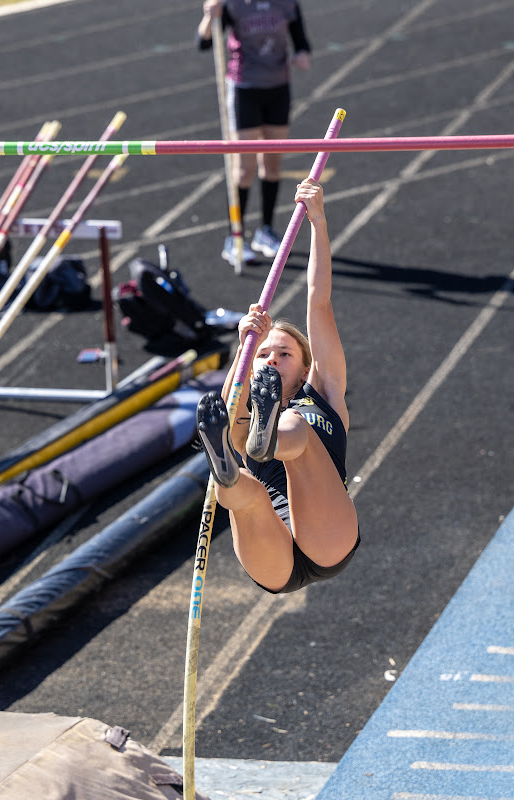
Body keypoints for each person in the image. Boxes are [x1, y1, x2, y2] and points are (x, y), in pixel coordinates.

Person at [197, 179, 360, 593]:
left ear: (307, 367)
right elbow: (233, 405)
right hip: (272, 553)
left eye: (284, 354)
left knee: (296, 432)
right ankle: (232, 469)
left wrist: (318, 222)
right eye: (264, 355)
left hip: (324, 532)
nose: (271, 359)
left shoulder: (323, 392)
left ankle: (268, 443)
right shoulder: (244, 411)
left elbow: (318, 301)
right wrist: (242, 350)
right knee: (240, 488)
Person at [197, 0, 311, 266]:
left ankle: (266, 231)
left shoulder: (286, 3)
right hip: (244, 89)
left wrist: (302, 54)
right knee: (244, 169)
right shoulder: (232, 4)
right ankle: (235, 238)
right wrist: (208, 17)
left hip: (278, 88)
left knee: (272, 165)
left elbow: (301, 39)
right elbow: (204, 42)